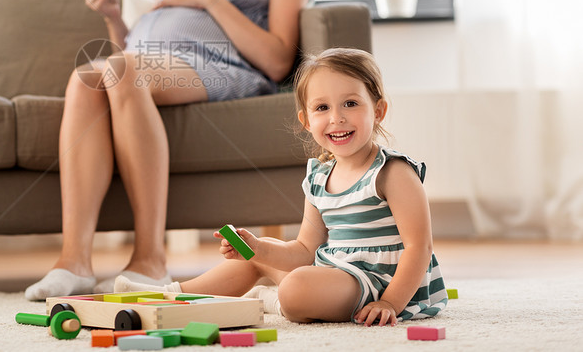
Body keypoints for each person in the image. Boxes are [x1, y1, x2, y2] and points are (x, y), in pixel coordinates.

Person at [24, 0, 314, 301]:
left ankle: (151, 259)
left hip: (223, 67)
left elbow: (279, 57)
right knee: (86, 78)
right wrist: (112, 15)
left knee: (125, 70)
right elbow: (130, 50)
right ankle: (74, 260)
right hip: (145, 63)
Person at [115, 48, 448, 326]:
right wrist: (258, 248)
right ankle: (170, 296)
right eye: (322, 108)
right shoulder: (318, 177)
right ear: (306, 121)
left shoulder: (393, 172)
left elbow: (420, 247)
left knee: (296, 287)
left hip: (381, 282)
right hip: (335, 272)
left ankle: (274, 301)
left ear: (378, 111)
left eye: (350, 103)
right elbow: (305, 250)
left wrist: (390, 302)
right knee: (255, 256)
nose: (337, 118)